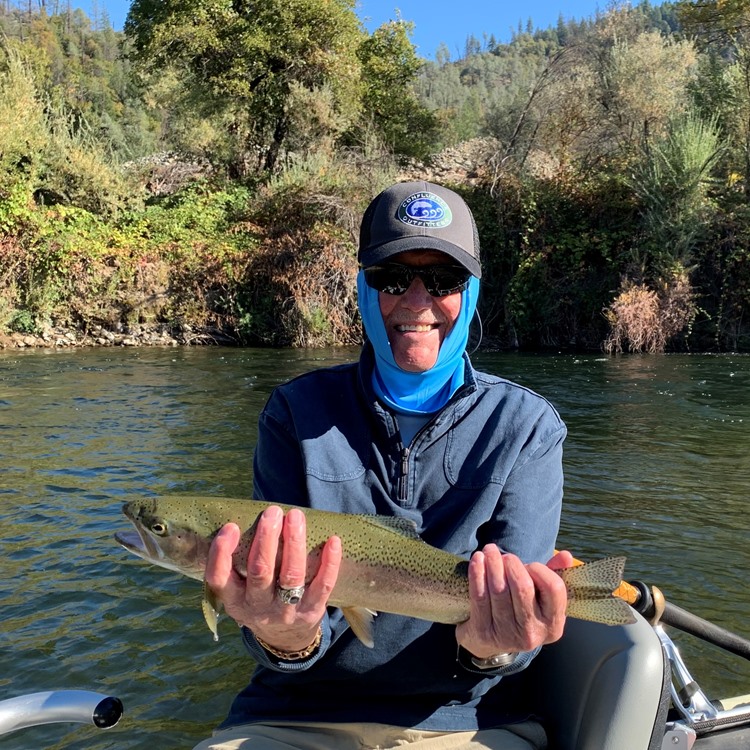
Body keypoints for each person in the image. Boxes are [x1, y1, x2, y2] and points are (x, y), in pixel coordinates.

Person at [194, 181, 571, 750]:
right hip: (293, 716)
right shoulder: (295, 415)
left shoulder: (527, 428)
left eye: (443, 281)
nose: (417, 301)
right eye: (393, 278)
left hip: (466, 721)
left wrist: (497, 645)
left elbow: (509, 644)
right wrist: (282, 636)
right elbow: (288, 631)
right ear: (364, 289)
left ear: (469, 294)